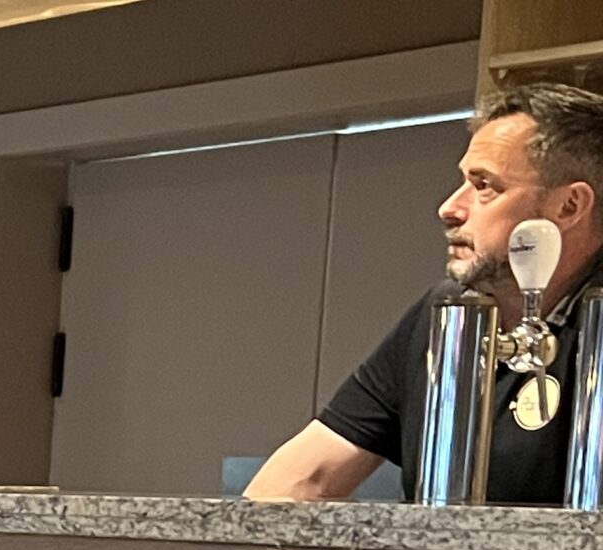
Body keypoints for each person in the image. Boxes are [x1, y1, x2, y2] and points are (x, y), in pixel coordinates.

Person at [250, 84, 603, 503]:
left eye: (485, 186)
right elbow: (304, 478)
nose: (450, 207)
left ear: (568, 206)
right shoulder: (443, 313)